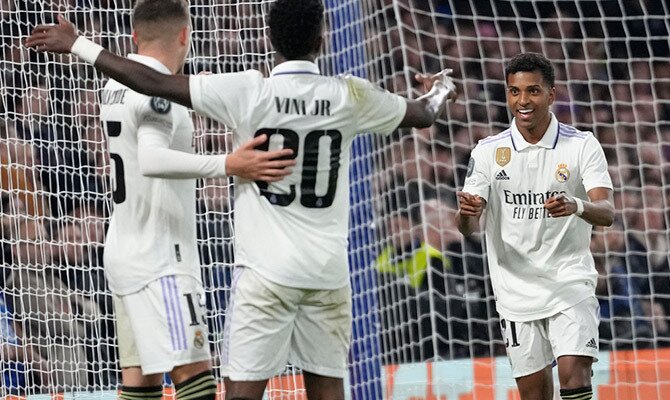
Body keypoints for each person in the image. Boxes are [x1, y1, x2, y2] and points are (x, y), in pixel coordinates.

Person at [26, 0, 456, 397]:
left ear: (268, 38)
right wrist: (441, 89)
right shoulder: (350, 94)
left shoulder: (248, 90)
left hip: (262, 274)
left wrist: (80, 45)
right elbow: (421, 114)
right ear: (323, 39)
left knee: (222, 391)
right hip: (326, 272)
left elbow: (151, 80)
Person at [29, 1, 296, 399]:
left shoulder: (114, 86)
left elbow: (153, 103)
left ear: (135, 36)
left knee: (141, 382)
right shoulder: (157, 94)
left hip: (124, 251)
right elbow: (152, 157)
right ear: (186, 36)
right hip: (162, 260)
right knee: (196, 377)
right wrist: (229, 163)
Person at [455, 52, 614, 400]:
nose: (522, 101)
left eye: (533, 91)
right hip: (515, 292)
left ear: (551, 94)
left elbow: (607, 210)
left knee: (574, 375)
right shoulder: (487, 152)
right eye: (514, 92)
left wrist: (576, 204)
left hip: (568, 281)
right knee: (534, 394)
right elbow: (467, 227)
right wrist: (468, 212)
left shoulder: (581, 145)